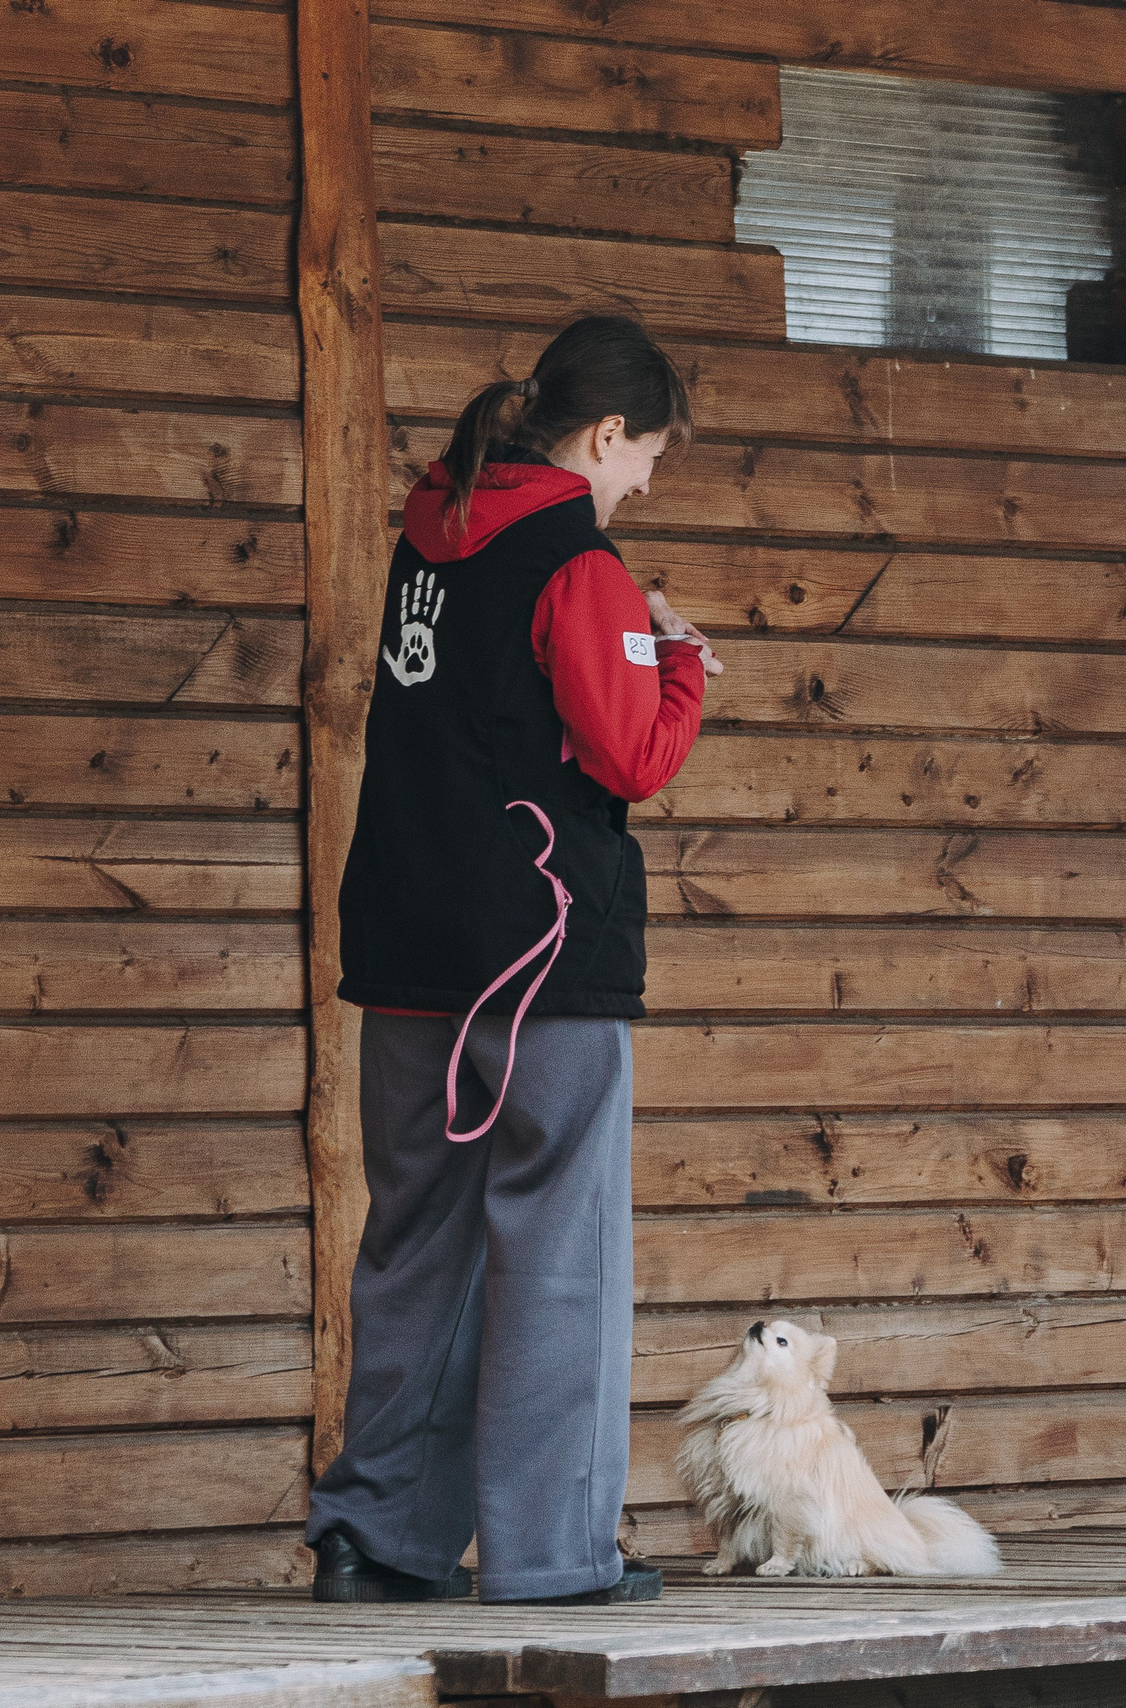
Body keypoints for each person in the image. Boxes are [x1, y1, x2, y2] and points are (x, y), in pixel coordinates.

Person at [306, 316, 720, 1605]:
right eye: (646, 455)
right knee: (561, 1251)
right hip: (541, 960)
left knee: (415, 1245)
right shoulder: (578, 561)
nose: (643, 481)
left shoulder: (426, 538)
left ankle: (376, 1539)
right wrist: (682, 663)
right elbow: (629, 756)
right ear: (605, 434)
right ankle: (552, 1558)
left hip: (408, 950)